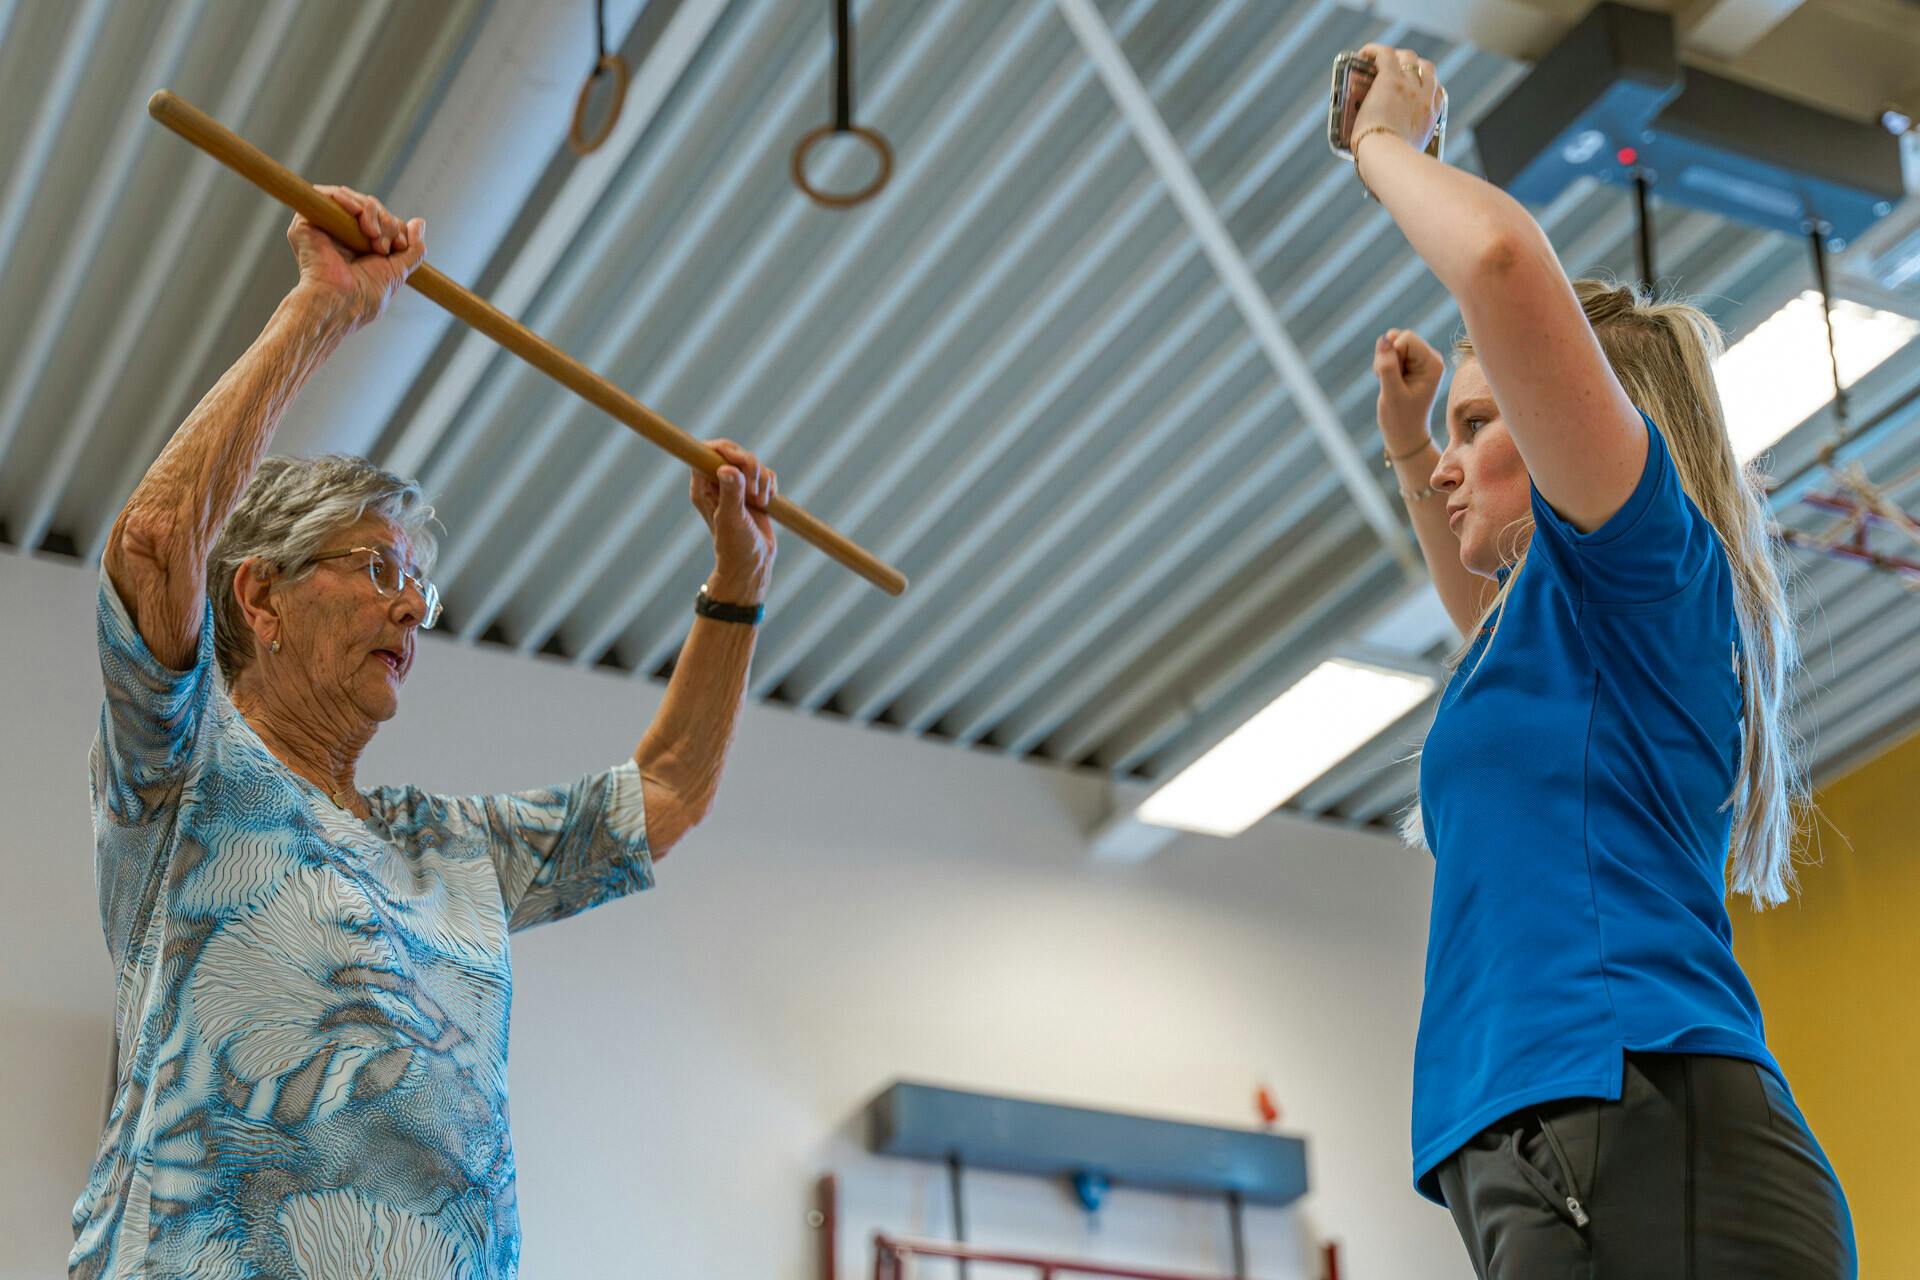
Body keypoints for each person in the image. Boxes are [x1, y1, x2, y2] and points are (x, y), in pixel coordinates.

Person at [69, 186, 778, 1279]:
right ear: (260, 595)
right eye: (379, 569)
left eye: (422, 588)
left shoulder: (446, 848)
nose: (412, 606)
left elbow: (669, 791)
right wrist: (324, 309)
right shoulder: (189, 768)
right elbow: (162, 537)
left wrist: (738, 583)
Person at [1352, 42, 1856, 1277]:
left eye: (1486, 424)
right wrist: (1420, 443)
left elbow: (1504, 264)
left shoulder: (1648, 572)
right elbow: (1482, 614)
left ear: (1583, 423)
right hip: (1550, 1149)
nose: (1454, 466)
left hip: (1644, 1123)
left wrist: (1387, 152)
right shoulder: (1561, 653)